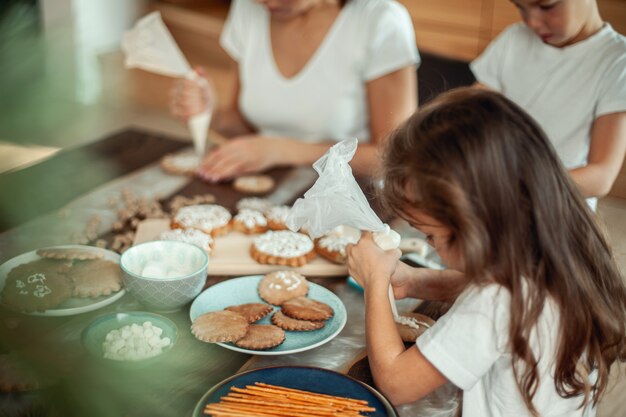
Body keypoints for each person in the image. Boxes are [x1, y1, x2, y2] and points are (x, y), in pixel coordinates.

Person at [346, 88, 626, 416]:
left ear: (477, 226)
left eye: (432, 237)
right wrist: (419, 282)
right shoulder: (565, 244)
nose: (431, 246)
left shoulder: (491, 303)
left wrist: (375, 281)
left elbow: (396, 383)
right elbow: (506, 299)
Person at [170, 0, 418, 182]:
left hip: (354, 198)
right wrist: (212, 114)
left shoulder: (380, 21)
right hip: (269, 188)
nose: (268, 2)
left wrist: (282, 151)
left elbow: (393, 159)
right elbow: (246, 129)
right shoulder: (248, 8)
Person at [470, 0, 626, 210]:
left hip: (560, 214)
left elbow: (601, 176)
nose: (532, 22)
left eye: (547, 6)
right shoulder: (513, 38)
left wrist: (518, 187)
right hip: (498, 202)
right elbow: (470, 118)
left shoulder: (617, 60)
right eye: (521, 7)